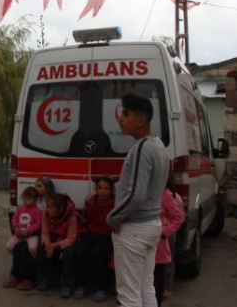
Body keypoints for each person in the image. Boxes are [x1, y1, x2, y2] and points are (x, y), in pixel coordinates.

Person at [107, 93, 169, 307]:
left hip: (134, 229)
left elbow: (136, 194)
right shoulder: (158, 146)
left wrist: (113, 218)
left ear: (141, 120)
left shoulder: (142, 149)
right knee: (146, 289)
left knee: (129, 295)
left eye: (126, 114)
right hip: (151, 226)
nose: (120, 119)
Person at [73, 176, 116, 302]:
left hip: (106, 235)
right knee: (80, 250)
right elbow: (85, 218)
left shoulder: (115, 203)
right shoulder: (91, 200)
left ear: (111, 191)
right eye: (100, 188)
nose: (102, 191)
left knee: (97, 253)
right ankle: (79, 285)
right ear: (96, 189)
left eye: (106, 189)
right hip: (90, 232)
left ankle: (101, 288)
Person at [38, 193, 78, 298]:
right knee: (41, 248)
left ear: (60, 209)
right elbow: (45, 233)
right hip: (52, 241)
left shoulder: (72, 217)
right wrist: (48, 245)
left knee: (69, 252)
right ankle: (47, 277)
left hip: (65, 243)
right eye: (47, 207)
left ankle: (67, 283)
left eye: (51, 207)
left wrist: (54, 245)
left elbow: (71, 238)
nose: (48, 209)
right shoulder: (45, 214)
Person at [3, 186, 43, 290]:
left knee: (32, 248)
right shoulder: (20, 209)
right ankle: (16, 275)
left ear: (35, 200)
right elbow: (14, 219)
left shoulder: (37, 211)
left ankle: (36, 262)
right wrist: (16, 228)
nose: (26, 201)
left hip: (30, 235)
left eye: (29, 199)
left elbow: (38, 224)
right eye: (24, 198)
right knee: (9, 246)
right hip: (19, 233)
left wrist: (28, 231)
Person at [154, 177, 185, 306]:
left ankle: (163, 292)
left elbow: (178, 217)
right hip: (144, 241)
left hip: (160, 242)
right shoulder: (144, 193)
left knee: (159, 272)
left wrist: (164, 232)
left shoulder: (166, 195)